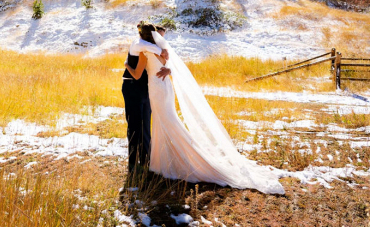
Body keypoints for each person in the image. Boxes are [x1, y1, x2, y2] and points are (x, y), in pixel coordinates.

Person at [125, 23, 285, 195]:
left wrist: (127, 65)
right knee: (168, 120)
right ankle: (165, 160)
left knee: (166, 122)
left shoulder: (145, 52)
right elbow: (172, 67)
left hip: (156, 89)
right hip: (165, 88)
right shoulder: (163, 51)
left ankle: (179, 160)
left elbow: (136, 74)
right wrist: (168, 69)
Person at [121, 22, 170, 173]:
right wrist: (163, 50)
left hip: (145, 88)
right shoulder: (138, 45)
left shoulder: (148, 49)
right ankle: (134, 163)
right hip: (133, 87)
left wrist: (165, 54)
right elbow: (155, 50)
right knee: (136, 126)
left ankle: (145, 161)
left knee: (144, 127)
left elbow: (161, 60)